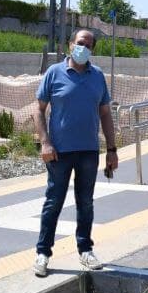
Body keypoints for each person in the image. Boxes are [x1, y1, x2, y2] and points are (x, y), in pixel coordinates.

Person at [32, 29, 117, 277]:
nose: (84, 48)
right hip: (59, 152)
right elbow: (38, 110)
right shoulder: (54, 73)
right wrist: (45, 143)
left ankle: (85, 250)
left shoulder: (97, 76)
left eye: (89, 45)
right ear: (71, 44)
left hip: (89, 151)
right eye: (80, 43)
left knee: (86, 203)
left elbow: (105, 113)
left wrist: (112, 149)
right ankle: (43, 253)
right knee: (53, 202)